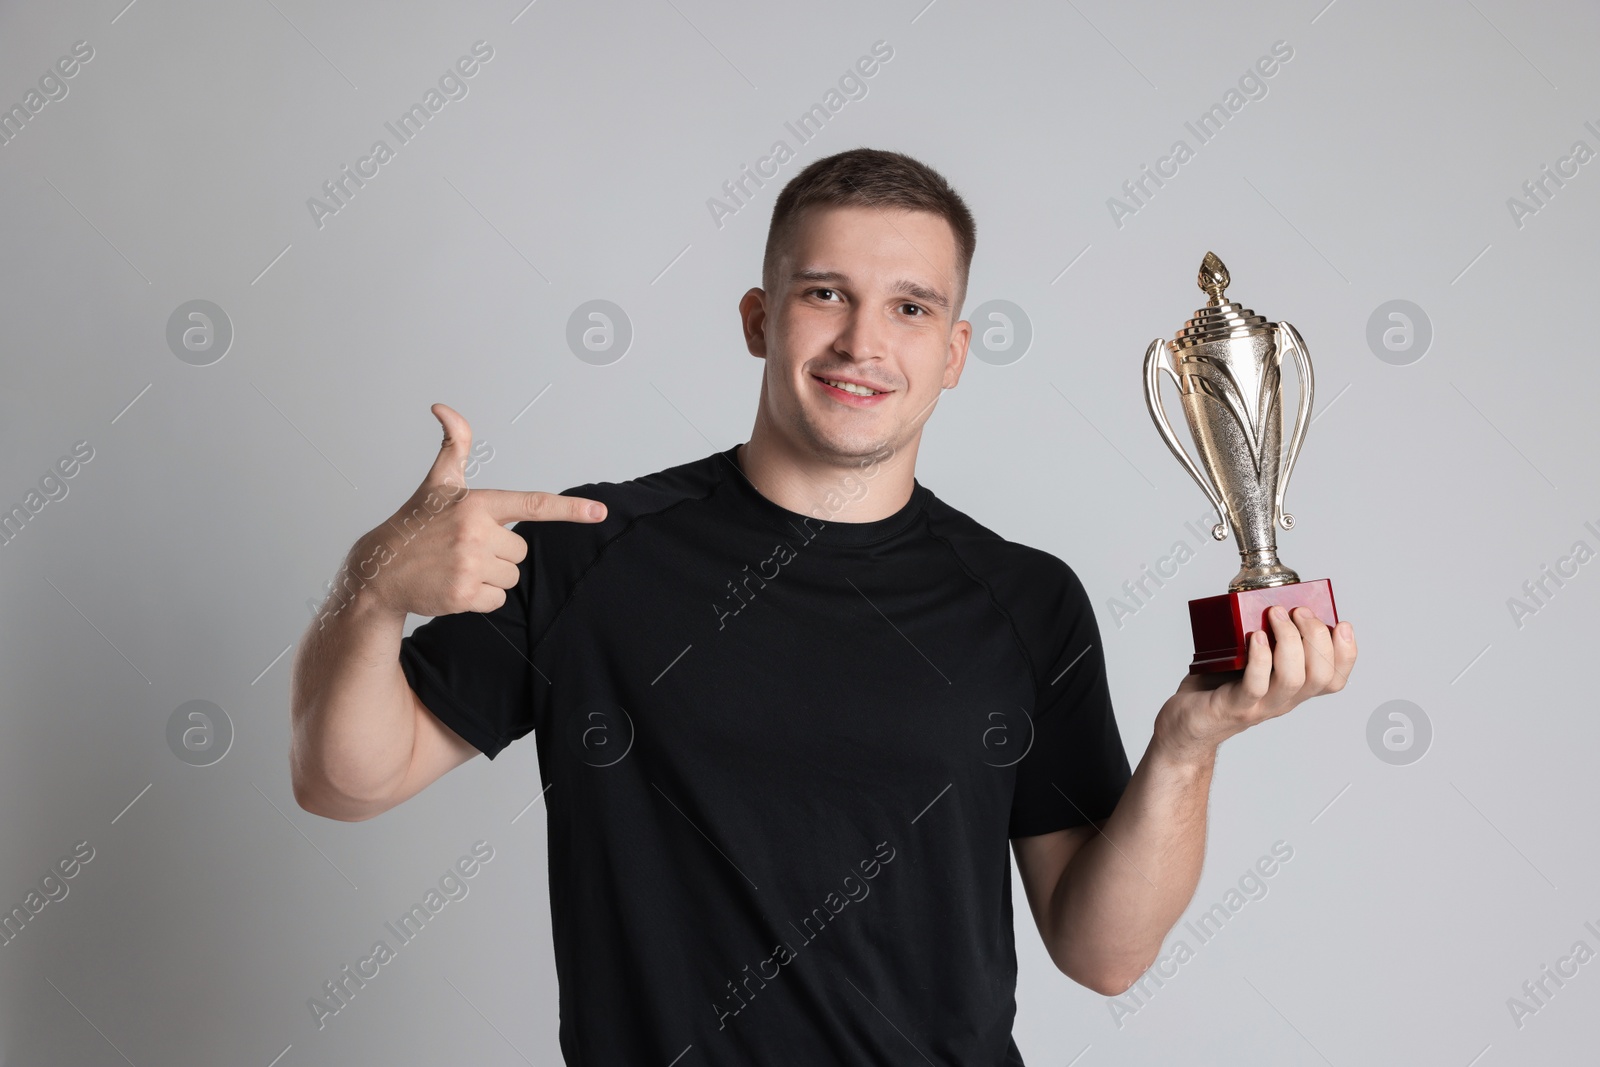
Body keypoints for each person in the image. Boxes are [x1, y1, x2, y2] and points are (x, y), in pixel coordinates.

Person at [289, 147, 1358, 1065]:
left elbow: (1102, 951)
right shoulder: (588, 551)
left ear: (952, 353)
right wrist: (372, 582)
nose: (861, 341)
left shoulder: (1025, 599)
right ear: (759, 319)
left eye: (909, 306)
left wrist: (1185, 745)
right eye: (823, 293)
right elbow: (345, 778)